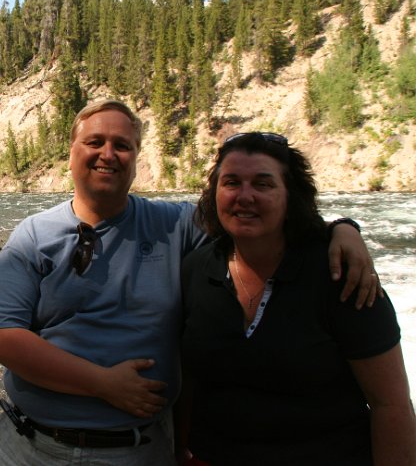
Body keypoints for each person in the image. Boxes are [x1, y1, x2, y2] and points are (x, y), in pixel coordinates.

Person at [0, 100, 380, 466]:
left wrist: (342, 229)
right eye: (95, 142)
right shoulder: (33, 236)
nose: (108, 154)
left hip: (141, 450)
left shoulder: (175, 225)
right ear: (71, 154)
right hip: (33, 448)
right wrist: (103, 384)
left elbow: (252, 216)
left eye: (122, 145)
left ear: (137, 159)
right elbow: (1, 337)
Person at [178, 132, 415, 465]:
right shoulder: (196, 271)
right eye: (231, 182)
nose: (244, 196)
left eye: (263, 184)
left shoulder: (339, 274)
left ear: (291, 196)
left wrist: (344, 227)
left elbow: (391, 405)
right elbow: (190, 383)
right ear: (214, 193)